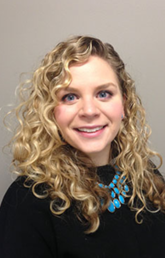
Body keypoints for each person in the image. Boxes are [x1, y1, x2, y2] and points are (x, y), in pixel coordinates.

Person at [0, 35, 165, 258]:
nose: (89, 110)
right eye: (70, 96)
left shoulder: (146, 177)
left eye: (103, 94)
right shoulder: (28, 201)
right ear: (50, 111)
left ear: (124, 104)